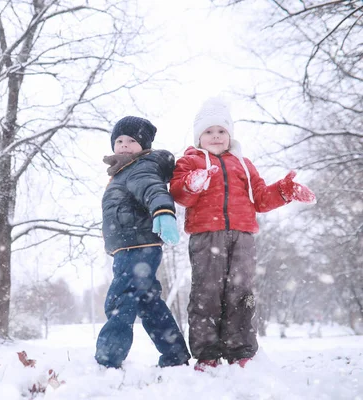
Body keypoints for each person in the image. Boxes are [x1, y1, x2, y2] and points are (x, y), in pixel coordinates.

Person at [170, 98, 316, 371]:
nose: (216, 136)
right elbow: (180, 195)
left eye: (221, 131)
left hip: (243, 237)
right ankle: (207, 354)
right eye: (209, 132)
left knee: (242, 293)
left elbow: (260, 199)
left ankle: (241, 350)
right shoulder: (189, 161)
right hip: (206, 236)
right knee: (206, 294)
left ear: (230, 134)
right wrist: (192, 184)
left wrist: (285, 191)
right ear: (198, 136)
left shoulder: (244, 164)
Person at [95, 116, 191, 369]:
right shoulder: (123, 171)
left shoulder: (140, 167)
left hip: (135, 245)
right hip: (132, 246)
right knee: (148, 302)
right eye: (119, 140)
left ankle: (108, 359)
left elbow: (153, 189)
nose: (124, 145)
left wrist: (162, 210)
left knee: (120, 299)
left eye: (132, 140)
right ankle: (175, 355)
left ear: (144, 145)